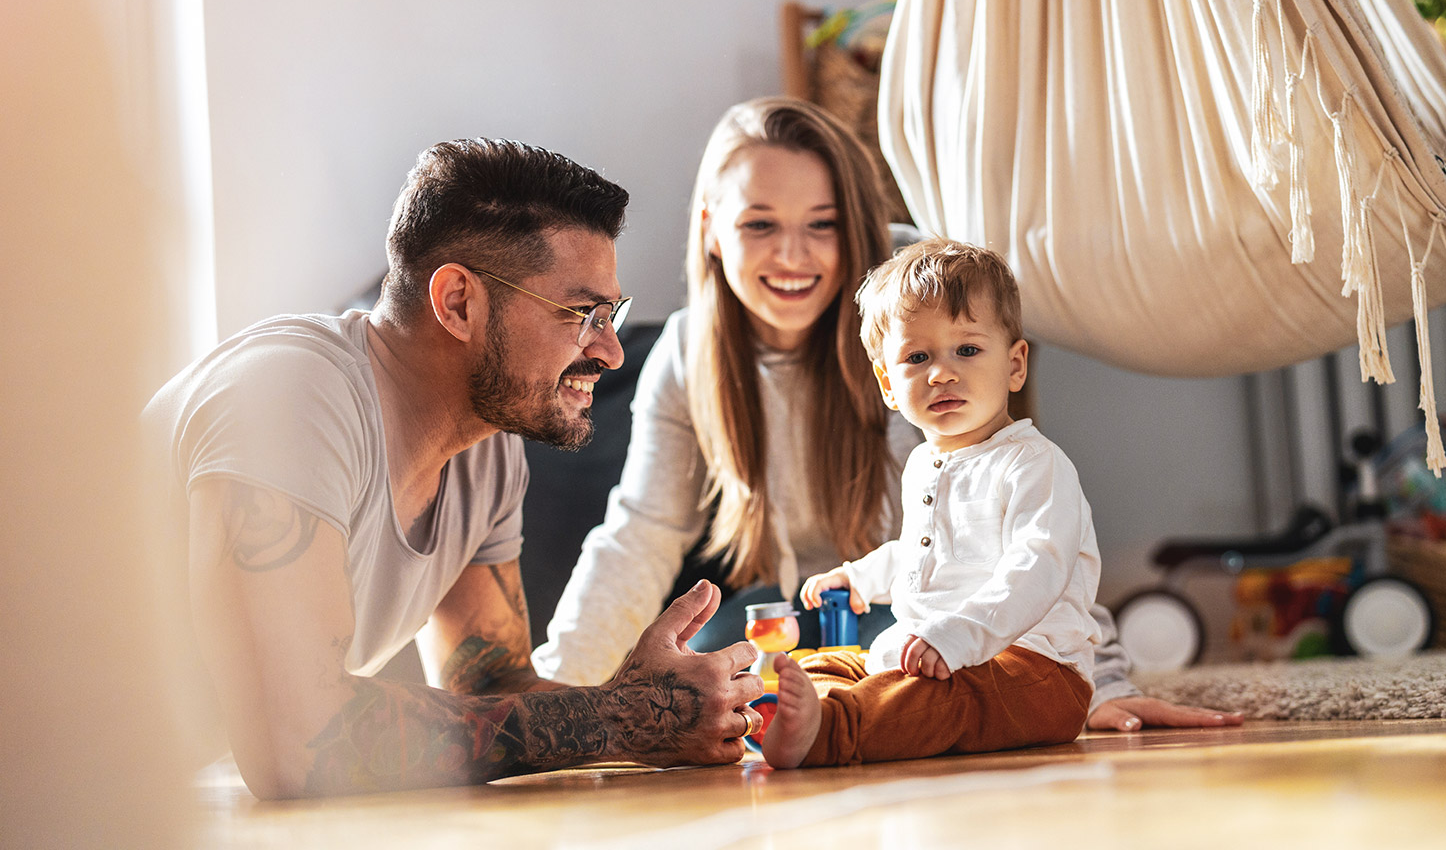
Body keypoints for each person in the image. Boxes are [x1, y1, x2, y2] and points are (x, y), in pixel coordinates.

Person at [532, 97, 1242, 734]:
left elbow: (1021, 527)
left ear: (859, 227)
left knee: (902, 676)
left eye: (822, 225)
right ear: (714, 230)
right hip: (799, 599)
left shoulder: (911, 336)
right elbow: (642, 533)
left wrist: (1099, 681)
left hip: (923, 607)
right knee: (704, 677)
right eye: (759, 224)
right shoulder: (690, 350)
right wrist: (555, 690)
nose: (791, 255)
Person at [144, 139, 765, 799]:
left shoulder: (486, 443)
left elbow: (492, 688)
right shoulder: (290, 395)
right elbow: (298, 747)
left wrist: (664, 713)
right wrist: (620, 716)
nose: (610, 352)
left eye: (611, 316)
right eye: (582, 315)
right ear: (459, 302)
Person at [763, 238, 1096, 767]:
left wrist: (960, 636)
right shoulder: (924, 463)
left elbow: (1038, 566)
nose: (941, 373)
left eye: (967, 350)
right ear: (888, 385)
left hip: (1033, 670)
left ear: (1014, 365)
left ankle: (830, 731)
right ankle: (804, 710)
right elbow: (920, 553)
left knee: (943, 698)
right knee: (837, 662)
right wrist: (859, 579)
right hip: (939, 653)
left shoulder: (1034, 463)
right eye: (917, 358)